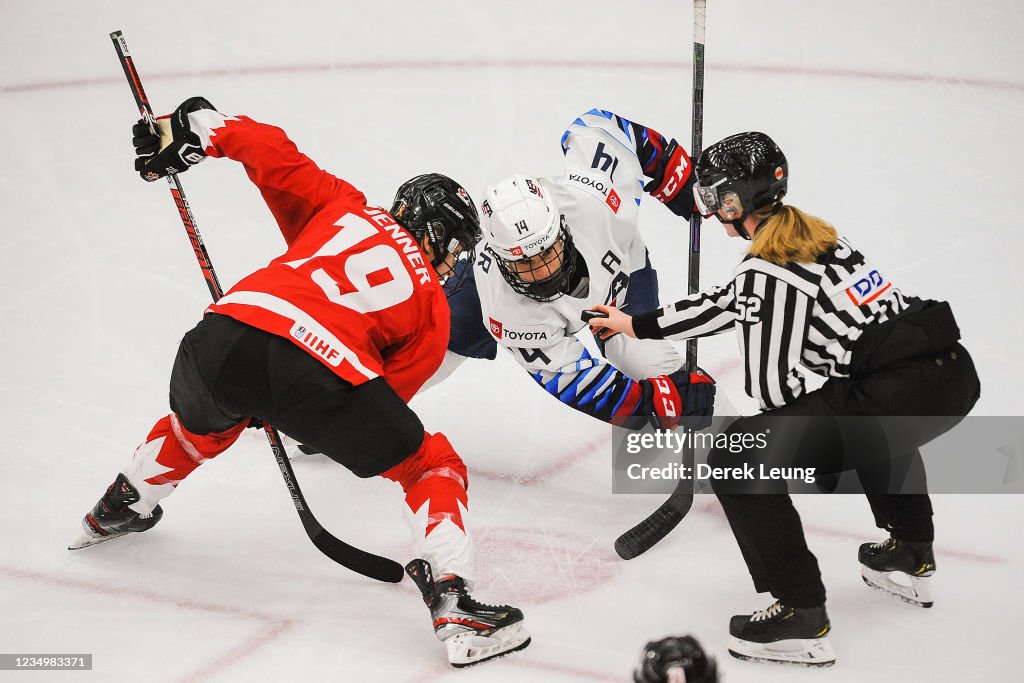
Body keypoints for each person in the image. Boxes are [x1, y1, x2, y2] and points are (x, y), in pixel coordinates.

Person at [70, 97, 530, 668]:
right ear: (439, 235)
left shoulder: (343, 208)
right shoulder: (434, 309)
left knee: (197, 430)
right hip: (314, 369)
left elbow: (270, 152)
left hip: (218, 335)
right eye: (456, 246)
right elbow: (380, 398)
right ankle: (456, 602)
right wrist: (295, 406)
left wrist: (193, 128)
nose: (454, 262)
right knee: (430, 465)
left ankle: (121, 505)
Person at [588, 131, 980, 667]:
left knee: (735, 459)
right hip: (948, 377)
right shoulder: (809, 235)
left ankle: (799, 612)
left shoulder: (765, 269)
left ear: (733, 201)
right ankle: (910, 553)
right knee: (869, 414)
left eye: (711, 199)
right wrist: (639, 324)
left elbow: (775, 393)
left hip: (899, 393)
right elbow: (732, 302)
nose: (708, 210)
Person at [435, 108, 716, 429]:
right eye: (525, 263)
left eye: (546, 251)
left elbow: (596, 125)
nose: (543, 270)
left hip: (617, 280)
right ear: (501, 259)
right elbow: (577, 380)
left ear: (560, 227)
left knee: (654, 365)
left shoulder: (594, 203)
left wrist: (670, 168)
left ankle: (742, 452)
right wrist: (647, 403)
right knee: (429, 352)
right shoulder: (507, 309)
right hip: (480, 297)